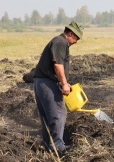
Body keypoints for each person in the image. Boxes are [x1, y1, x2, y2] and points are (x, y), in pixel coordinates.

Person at [33, 21, 83, 155]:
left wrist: (64, 82)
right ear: (71, 33)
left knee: (47, 116)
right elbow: (58, 66)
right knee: (58, 114)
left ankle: (49, 145)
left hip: (41, 82)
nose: (76, 41)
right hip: (48, 83)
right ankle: (58, 147)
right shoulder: (61, 42)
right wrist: (64, 84)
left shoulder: (57, 41)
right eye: (76, 38)